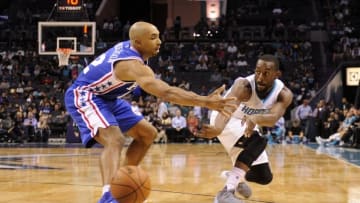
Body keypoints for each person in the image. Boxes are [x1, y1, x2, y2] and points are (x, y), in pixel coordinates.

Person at [64, 21, 236, 203]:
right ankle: (108, 196)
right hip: (85, 95)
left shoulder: (133, 52)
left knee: (147, 134)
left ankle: (121, 186)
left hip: (108, 98)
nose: (159, 41)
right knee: (114, 139)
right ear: (137, 42)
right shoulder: (131, 64)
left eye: (159, 36)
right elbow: (166, 92)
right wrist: (205, 101)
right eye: (153, 38)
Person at [196, 54, 293, 203]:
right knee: (259, 142)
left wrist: (255, 119)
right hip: (226, 118)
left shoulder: (284, 94)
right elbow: (228, 110)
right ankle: (225, 192)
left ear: (276, 74)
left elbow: (273, 118)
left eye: (266, 73)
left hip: (246, 122)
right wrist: (217, 129)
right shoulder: (244, 86)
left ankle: (235, 177)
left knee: (264, 177)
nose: (260, 78)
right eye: (257, 72)